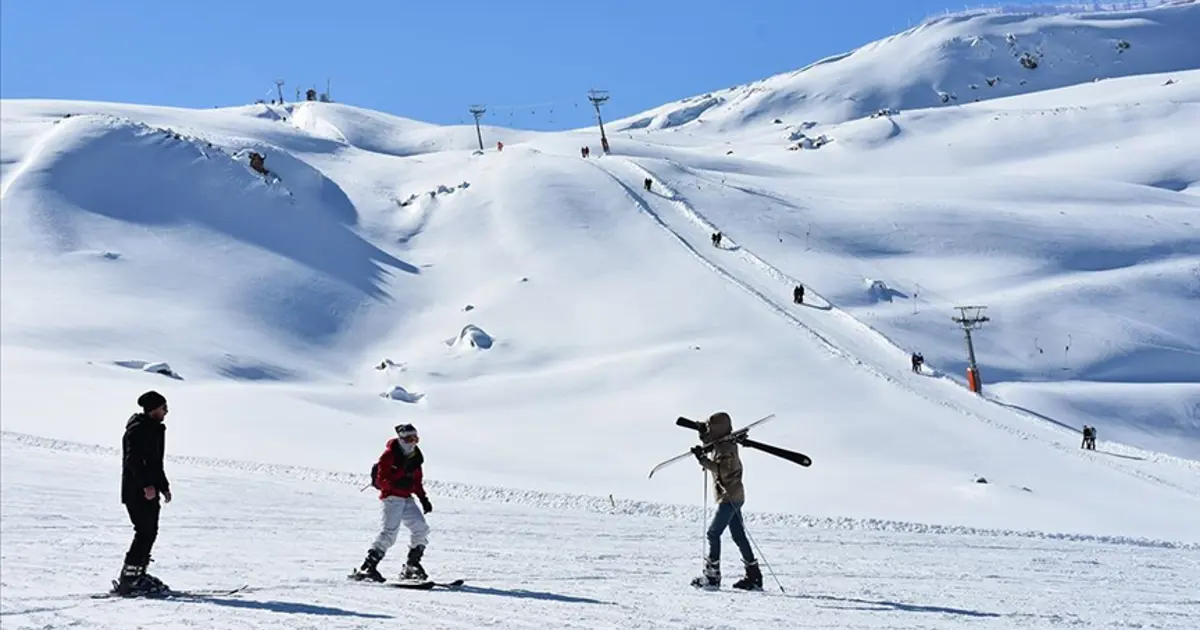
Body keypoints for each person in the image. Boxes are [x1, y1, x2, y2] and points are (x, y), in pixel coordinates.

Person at [352, 424, 434, 583]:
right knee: (389, 534)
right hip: (392, 498)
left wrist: (423, 498)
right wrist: (397, 484)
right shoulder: (389, 455)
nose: (413, 443)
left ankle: (412, 566)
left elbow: (417, 481)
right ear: (402, 439)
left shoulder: (415, 456)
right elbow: (381, 480)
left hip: (407, 498)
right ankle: (367, 567)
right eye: (410, 439)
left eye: (416, 439)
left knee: (421, 529)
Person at [689, 412, 762, 591]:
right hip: (734, 496)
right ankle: (754, 576)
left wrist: (702, 460)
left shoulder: (726, 449)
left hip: (729, 498)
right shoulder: (724, 444)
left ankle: (712, 577)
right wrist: (701, 433)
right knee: (738, 534)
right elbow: (710, 443)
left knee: (713, 533)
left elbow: (723, 471)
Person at [114, 390, 173, 596]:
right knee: (144, 532)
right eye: (164, 407)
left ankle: (138, 574)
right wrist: (146, 485)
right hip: (136, 490)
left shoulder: (156, 429)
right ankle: (129, 579)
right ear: (153, 409)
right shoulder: (137, 430)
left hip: (150, 490)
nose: (166, 411)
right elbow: (133, 461)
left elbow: (156, 463)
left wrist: (163, 486)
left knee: (150, 532)